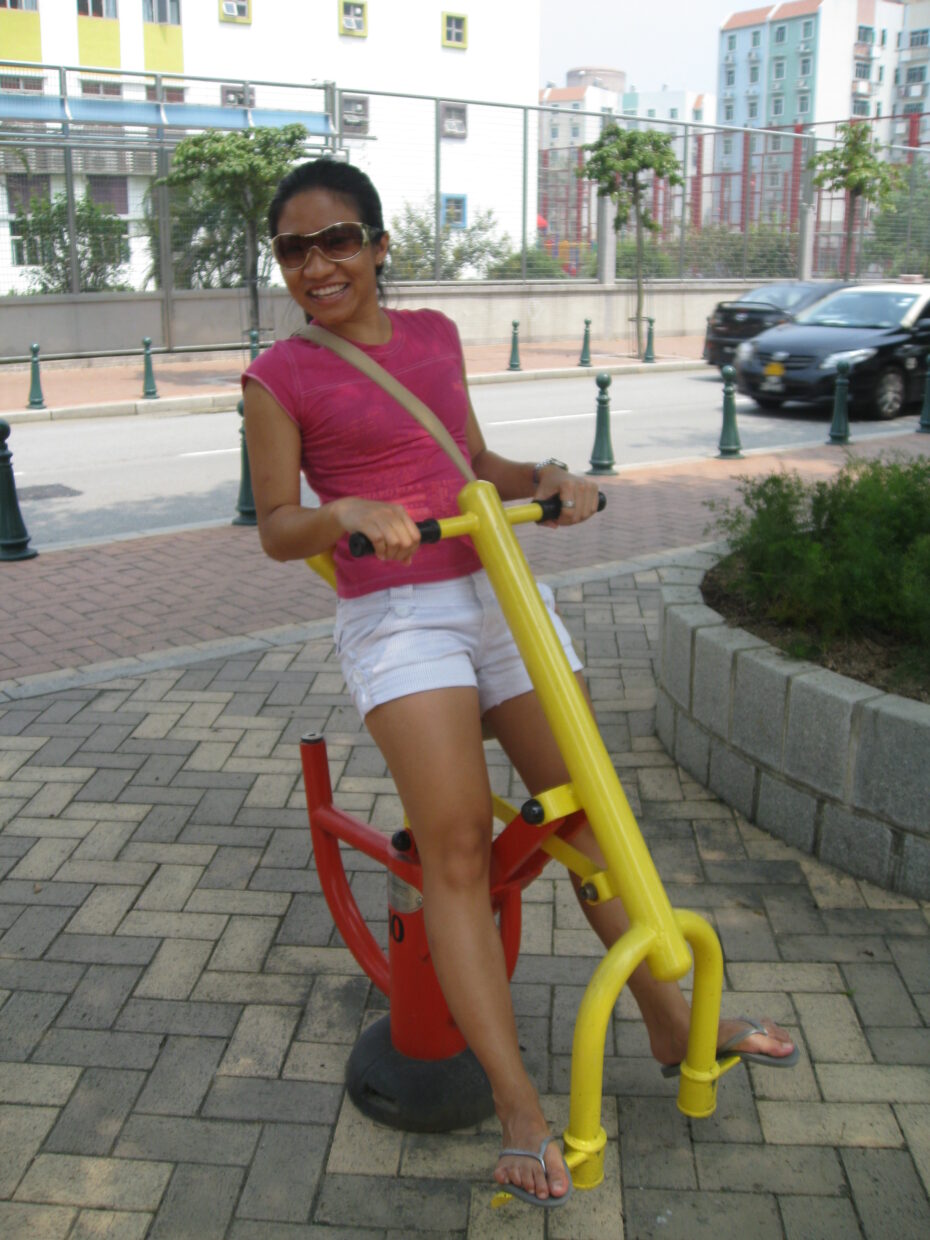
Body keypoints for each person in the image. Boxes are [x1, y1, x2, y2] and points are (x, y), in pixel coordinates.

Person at [242, 159, 797, 1208]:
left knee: (588, 816)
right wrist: (345, 512)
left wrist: (546, 480)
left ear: (379, 245)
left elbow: (472, 464)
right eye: (295, 248)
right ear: (282, 263)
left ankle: (671, 1019)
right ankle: (518, 1106)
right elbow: (278, 527)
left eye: (340, 239)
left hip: (496, 587)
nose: (320, 264)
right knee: (454, 850)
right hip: (398, 614)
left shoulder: (437, 339)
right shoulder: (279, 377)